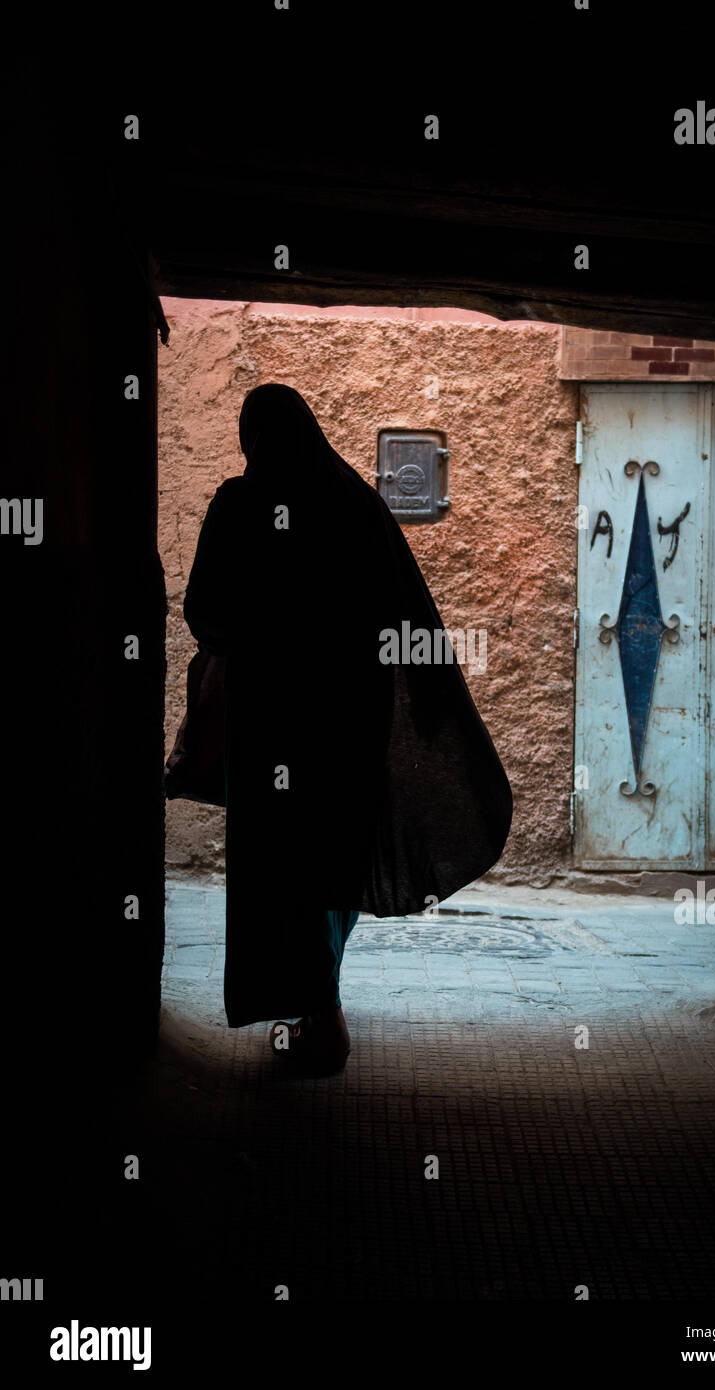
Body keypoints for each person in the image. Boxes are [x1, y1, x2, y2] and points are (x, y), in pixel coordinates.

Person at [183, 384, 512, 1076]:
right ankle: (319, 1005)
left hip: (270, 728)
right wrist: (426, 704)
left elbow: (205, 611)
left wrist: (254, 639)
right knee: (329, 859)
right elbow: (405, 613)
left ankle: (318, 1020)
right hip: (344, 729)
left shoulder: (239, 507)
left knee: (279, 865)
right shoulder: (355, 505)